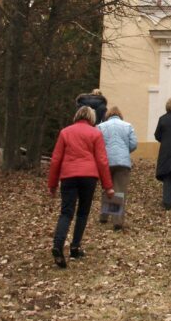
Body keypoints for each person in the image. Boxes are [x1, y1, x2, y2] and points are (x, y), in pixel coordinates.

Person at [48, 106, 114, 268]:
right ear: (91, 118)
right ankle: (75, 247)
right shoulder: (95, 133)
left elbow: (56, 159)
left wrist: (52, 184)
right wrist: (108, 186)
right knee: (83, 213)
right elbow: (102, 160)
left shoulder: (65, 132)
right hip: (88, 177)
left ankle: (58, 244)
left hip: (68, 176)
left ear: (76, 116)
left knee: (66, 212)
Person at [98, 106, 138, 230]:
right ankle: (117, 221)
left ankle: (104, 216)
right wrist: (125, 151)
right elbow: (133, 144)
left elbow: (97, 143)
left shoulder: (101, 127)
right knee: (119, 190)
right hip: (123, 162)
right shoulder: (127, 126)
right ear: (120, 115)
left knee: (107, 188)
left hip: (106, 162)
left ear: (108, 115)